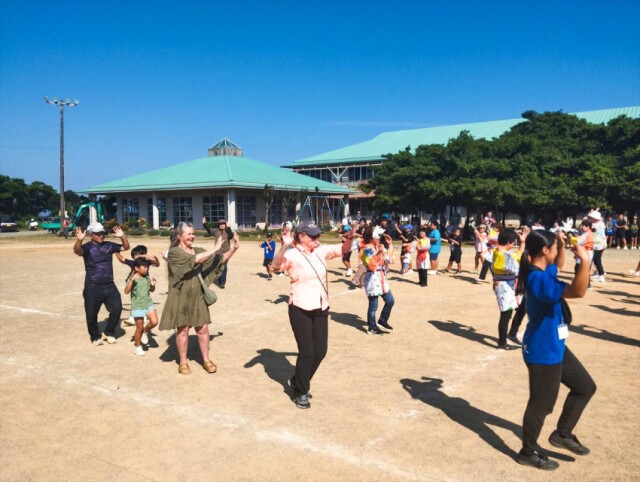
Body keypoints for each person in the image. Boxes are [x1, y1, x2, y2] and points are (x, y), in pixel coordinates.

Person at [515, 229, 595, 470]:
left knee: (585, 387)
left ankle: (562, 434)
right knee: (541, 406)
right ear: (544, 251)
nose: (558, 252)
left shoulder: (542, 270)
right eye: (555, 247)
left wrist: (559, 241)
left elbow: (557, 265)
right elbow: (578, 291)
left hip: (556, 345)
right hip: (542, 351)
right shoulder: (538, 280)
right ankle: (527, 451)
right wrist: (585, 260)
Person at [272, 220, 353, 409]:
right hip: (300, 307)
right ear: (301, 237)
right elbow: (276, 267)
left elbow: (343, 249)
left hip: (321, 306)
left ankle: (298, 380)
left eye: (318, 235)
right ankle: (300, 391)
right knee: (307, 352)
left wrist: (349, 237)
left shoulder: (320, 251)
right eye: (313, 236)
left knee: (320, 351)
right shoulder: (292, 254)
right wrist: (284, 245)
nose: (318, 239)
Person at [159, 222, 240, 375]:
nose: (192, 236)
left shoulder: (198, 250)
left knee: (203, 329)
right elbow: (194, 260)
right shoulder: (174, 252)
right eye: (189, 233)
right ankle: (183, 362)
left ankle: (206, 360)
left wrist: (234, 248)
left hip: (198, 295)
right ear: (180, 236)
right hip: (180, 296)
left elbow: (220, 260)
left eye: (193, 233)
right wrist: (215, 248)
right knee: (183, 330)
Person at [73, 222, 130, 346]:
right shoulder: (87, 247)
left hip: (109, 284)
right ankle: (95, 336)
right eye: (97, 234)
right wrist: (79, 240)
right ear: (91, 234)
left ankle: (108, 332)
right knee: (92, 314)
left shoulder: (109, 245)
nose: (101, 236)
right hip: (92, 286)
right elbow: (77, 251)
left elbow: (126, 247)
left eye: (102, 233)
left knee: (117, 308)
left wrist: (122, 236)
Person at [491, 228, 526, 349]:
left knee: (519, 307)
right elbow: (518, 260)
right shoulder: (502, 255)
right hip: (503, 285)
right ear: (508, 242)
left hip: (508, 284)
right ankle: (502, 342)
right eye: (513, 243)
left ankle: (510, 334)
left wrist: (522, 242)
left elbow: (517, 255)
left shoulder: (500, 252)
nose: (513, 245)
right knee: (506, 314)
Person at [361, 226, 395, 335]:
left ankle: (382, 320)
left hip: (382, 278)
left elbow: (390, 259)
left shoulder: (379, 247)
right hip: (372, 278)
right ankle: (372, 327)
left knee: (390, 301)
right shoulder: (367, 249)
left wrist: (389, 245)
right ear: (370, 237)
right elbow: (371, 265)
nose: (378, 238)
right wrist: (379, 253)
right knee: (373, 305)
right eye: (376, 236)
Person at [124, 257, 158, 356]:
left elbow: (151, 290)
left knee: (154, 322)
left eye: (147, 267)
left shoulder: (146, 276)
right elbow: (126, 291)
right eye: (144, 267)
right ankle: (137, 347)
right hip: (138, 306)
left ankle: (146, 331)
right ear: (136, 268)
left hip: (148, 303)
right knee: (139, 328)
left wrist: (152, 285)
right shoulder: (133, 277)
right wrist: (131, 280)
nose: (146, 269)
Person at [202, 216, 233, 288]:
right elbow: (209, 230)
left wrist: (228, 228)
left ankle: (222, 283)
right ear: (218, 225)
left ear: (225, 224)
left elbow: (231, 236)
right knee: (218, 266)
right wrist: (204, 224)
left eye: (223, 224)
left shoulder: (227, 231)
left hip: (226, 252)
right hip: (218, 252)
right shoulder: (216, 231)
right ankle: (219, 280)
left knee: (224, 266)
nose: (222, 225)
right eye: (220, 224)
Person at [588, 210, 607, 283]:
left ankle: (586, 276)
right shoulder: (601, 223)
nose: (591, 219)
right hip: (602, 244)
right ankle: (601, 275)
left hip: (596, 245)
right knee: (597, 260)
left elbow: (590, 229)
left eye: (592, 218)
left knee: (592, 260)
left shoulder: (595, 225)